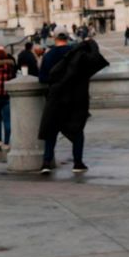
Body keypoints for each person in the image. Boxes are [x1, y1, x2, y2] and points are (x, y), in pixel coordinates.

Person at [38, 37, 108, 174]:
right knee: (77, 130)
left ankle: (46, 163)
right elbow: (95, 59)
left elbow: (42, 78)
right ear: (66, 38)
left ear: (55, 38)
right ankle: (78, 163)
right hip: (75, 98)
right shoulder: (78, 53)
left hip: (55, 98)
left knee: (51, 131)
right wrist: (92, 43)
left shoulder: (48, 56)